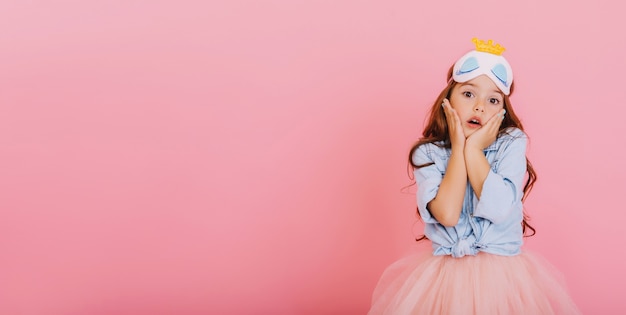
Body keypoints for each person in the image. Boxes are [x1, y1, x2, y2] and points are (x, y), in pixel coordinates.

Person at [368, 38, 581, 314]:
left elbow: (500, 207)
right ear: (447, 101)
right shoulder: (429, 153)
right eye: (468, 94)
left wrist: (474, 150)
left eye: (493, 100)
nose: (480, 106)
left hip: (503, 277)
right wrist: (459, 149)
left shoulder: (511, 142)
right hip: (443, 279)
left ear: (502, 113)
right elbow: (446, 214)